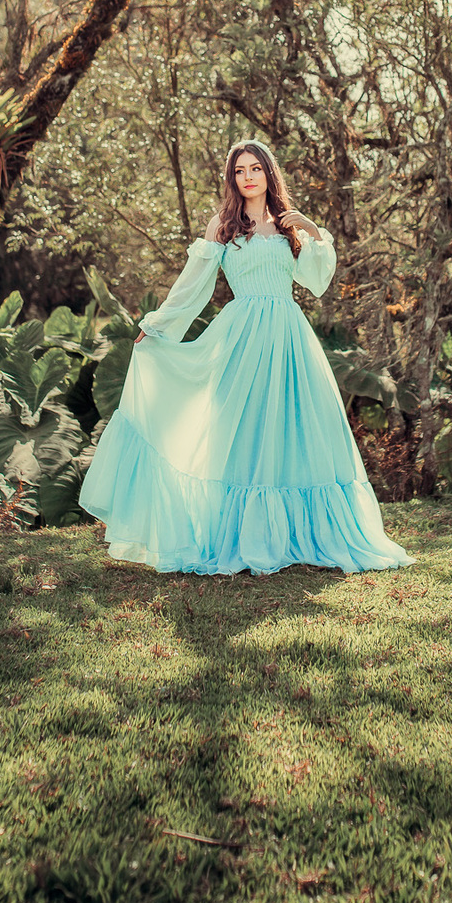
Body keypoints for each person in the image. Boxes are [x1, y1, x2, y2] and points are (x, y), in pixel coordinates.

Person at [78, 138, 415, 576]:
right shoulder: (223, 224)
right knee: (242, 434)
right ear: (232, 178)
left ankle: (299, 535)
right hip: (241, 338)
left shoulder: (288, 225)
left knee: (294, 431)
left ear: (269, 173)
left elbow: (316, 280)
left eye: (255, 168)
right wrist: (158, 324)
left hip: (289, 337)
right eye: (240, 170)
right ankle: (240, 536)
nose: (248, 177)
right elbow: (194, 284)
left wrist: (312, 229)